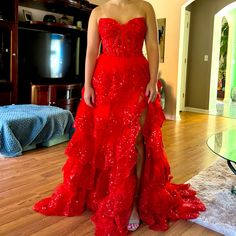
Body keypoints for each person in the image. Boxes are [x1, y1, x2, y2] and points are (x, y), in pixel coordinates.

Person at [33, 0, 206, 235]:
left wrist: (153, 80)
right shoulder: (98, 12)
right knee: (106, 141)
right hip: (105, 82)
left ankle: (132, 202)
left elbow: (153, 46)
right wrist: (88, 86)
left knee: (135, 142)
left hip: (137, 79)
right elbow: (92, 51)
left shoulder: (145, 7)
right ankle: (110, 193)